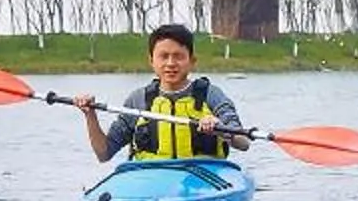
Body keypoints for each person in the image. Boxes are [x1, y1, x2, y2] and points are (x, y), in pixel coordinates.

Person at [77, 22, 253, 162]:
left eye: (178, 56)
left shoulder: (211, 95)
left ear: (192, 61)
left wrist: (220, 128)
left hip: (203, 175)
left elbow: (243, 143)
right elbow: (104, 153)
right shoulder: (138, 100)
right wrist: (90, 115)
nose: (170, 63)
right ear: (151, 61)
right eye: (163, 56)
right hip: (150, 179)